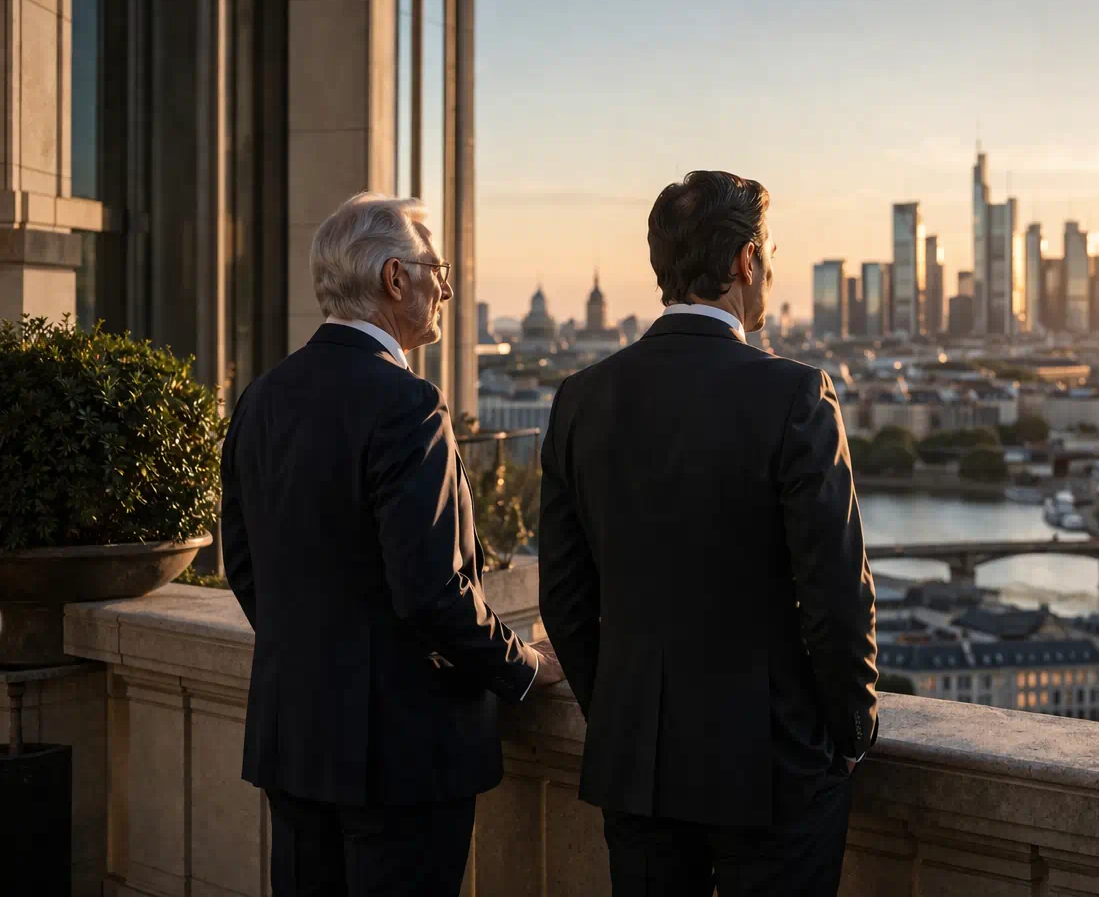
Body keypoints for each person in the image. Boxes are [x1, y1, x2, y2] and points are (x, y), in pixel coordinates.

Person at [539, 170, 879, 896]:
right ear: (746, 263)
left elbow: (565, 602)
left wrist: (623, 714)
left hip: (636, 765)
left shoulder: (579, 399)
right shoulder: (795, 394)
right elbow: (836, 599)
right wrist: (851, 731)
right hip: (771, 765)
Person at [221, 192, 563, 897]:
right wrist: (524, 667)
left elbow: (246, 567)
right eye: (436, 267)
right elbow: (433, 591)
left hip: (296, 741)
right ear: (395, 280)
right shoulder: (406, 404)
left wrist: (325, 661)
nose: (446, 286)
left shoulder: (262, 397)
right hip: (402, 760)